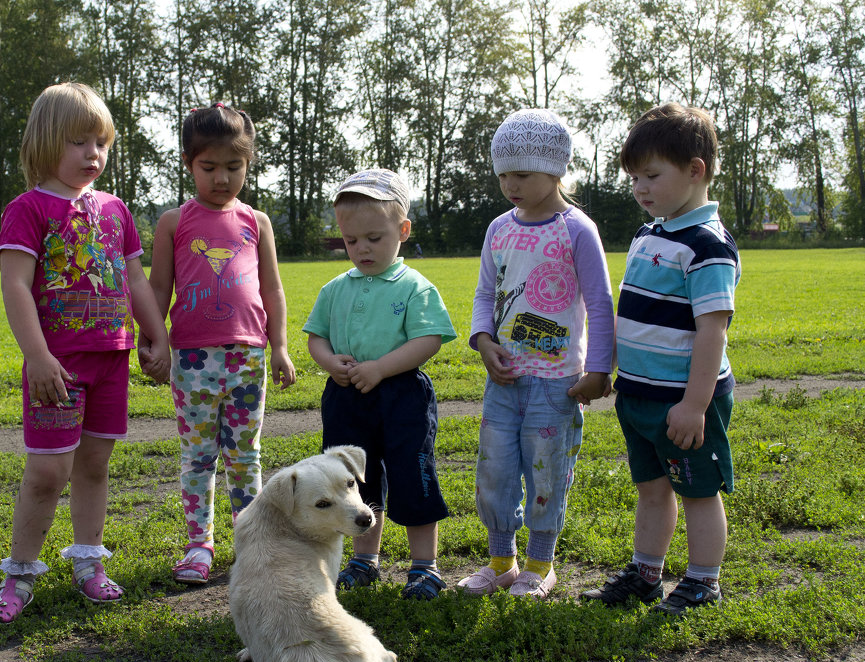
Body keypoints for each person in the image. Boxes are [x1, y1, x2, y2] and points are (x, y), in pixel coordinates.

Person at [0, 82, 171, 624]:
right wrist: (37, 356)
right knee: (48, 472)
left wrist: (156, 335)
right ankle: (18, 575)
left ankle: (89, 562)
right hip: (57, 365)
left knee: (93, 465)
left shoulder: (115, 210)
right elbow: (15, 286)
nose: (94, 154)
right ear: (45, 143)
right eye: (79, 143)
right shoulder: (27, 210)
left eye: (101, 143)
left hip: (112, 359)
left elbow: (135, 277)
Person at [581, 102, 741, 615]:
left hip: (685, 400)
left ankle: (702, 582)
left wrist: (695, 405)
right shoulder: (650, 234)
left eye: (651, 175)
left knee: (698, 491)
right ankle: (646, 574)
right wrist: (609, 371)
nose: (640, 189)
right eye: (634, 179)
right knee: (652, 489)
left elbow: (711, 332)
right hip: (640, 394)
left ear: (696, 171)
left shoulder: (706, 245)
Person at [457, 109, 616, 600]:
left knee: (547, 470)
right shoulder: (498, 229)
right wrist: (484, 342)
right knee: (496, 469)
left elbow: (599, 303)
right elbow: (487, 294)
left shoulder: (577, 230)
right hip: (503, 381)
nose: (510, 185)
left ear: (555, 169)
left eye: (521, 174)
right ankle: (501, 562)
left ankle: (540, 565)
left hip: (556, 382)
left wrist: (599, 371)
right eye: (503, 174)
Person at [138, 103, 296, 586]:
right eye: (209, 167)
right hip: (191, 359)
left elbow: (272, 290)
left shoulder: (258, 222)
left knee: (245, 455)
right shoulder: (173, 222)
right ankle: (198, 545)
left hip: (247, 355)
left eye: (234, 166)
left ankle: (250, 545)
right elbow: (158, 288)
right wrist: (155, 341)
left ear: (248, 165)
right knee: (198, 455)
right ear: (189, 163)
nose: (222, 178)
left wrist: (280, 346)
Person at [304, 168, 457, 600]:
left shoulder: (415, 287)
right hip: (346, 396)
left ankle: (424, 567)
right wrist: (330, 362)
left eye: (374, 237)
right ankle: (364, 560)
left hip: (401, 395)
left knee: (413, 474)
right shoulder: (335, 288)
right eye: (352, 241)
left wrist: (381, 368)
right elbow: (316, 336)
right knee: (353, 481)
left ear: (403, 230)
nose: (362, 249)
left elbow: (428, 340)